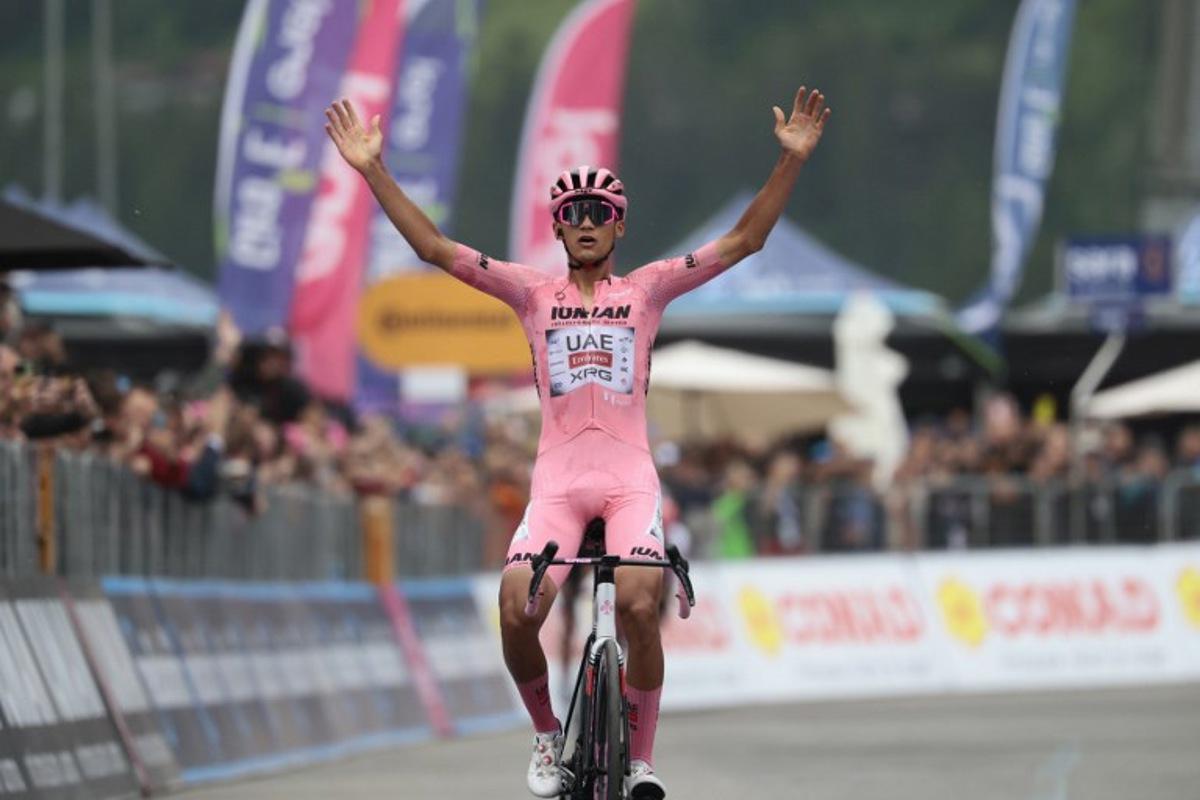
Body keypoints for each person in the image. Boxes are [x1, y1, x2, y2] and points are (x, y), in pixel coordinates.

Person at [324, 84, 830, 798]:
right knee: (513, 608)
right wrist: (373, 170)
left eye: (600, 214)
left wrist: (791, 163)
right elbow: (434, 248)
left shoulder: (649, 291)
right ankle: (545, 736)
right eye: (572, 215)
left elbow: (746, 241)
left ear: (618, 229)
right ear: (559, 231)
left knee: (636, 607)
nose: (586, 223)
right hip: (557, 486)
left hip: (628, 481)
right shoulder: (531, 293)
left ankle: (643, 762)